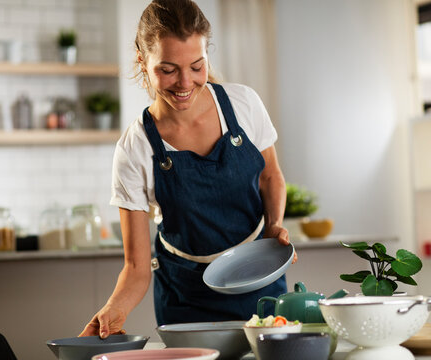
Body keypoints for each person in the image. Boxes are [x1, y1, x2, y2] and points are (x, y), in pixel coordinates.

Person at [79, 0, 296, 339]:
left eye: (197, 66)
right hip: (186, 300)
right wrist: (112, 312)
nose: (184, 83)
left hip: (259, 282)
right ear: (143, 61)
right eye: (168, 69)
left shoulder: (243, 104)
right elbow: (136, 267)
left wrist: (275, 225)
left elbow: (271, 176)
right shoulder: (135, 148)